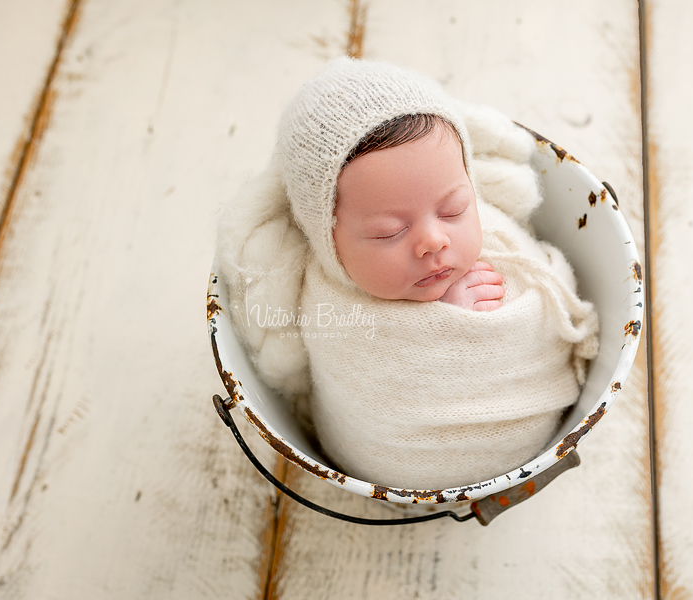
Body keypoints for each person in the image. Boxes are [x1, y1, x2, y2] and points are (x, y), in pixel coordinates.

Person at [217, 58, 599, 490]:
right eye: (389, 232)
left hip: (536, 432)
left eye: (454, 208)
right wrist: (444, 325)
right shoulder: (327, 312)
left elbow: (550, 303)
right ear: (326, 238)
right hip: (393, 468)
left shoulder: (501, 239)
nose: (433, 240)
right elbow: (374, 383)